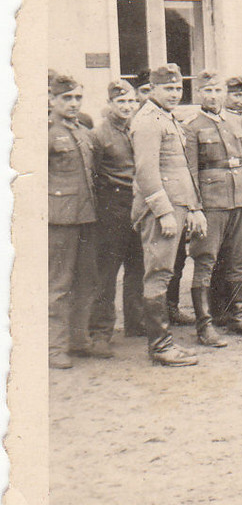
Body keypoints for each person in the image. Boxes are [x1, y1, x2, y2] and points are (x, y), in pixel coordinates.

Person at [183, 71, 242, 346]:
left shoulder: (237, 122)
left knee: (238, 260)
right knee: (205, 261)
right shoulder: (192, 127)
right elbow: (190, 171)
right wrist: (194, 208)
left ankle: (237, 316)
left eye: (217, 90)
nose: (213, 96)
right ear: (199, 93)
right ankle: (205, 325)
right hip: (212, 204)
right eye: (207, 91)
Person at [130, 64, 205, 366]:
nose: (174, 93)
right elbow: (147, 173)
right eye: (168, 88)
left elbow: (182, 169)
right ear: (153, 88)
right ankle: (160, 346)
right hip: (161, 209)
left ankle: (164, 342)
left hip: (178, 205)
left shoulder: (166, 117)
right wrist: (164, 214)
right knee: (158, 274)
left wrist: (194, 207)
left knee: (165, 272)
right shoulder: (148, 121)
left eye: (177, 88)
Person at [48, 74, 101, 368]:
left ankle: (79, 339)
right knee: (58, 285)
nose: (73, 103)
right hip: (59, 220)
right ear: (52, 100)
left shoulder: (82, 131)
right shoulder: (45, 132)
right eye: (66, 98)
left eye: (77, 98)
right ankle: (54, 348)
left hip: (86, 217)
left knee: (87, 280)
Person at [87, 80, 143, 347]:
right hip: (113, 205)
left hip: (139, 204)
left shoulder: (138, 127)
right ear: (110, 104)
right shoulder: (99, 135)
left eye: (131, 101)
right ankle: (100, 332)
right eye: (121, 102)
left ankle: (136, 322)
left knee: (138, 266)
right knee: (107, 271)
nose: (127, 106)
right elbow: (92, 175)